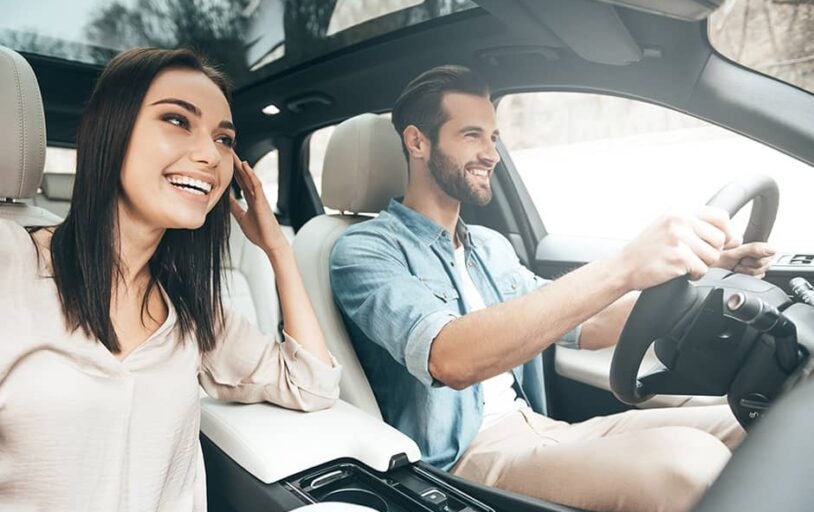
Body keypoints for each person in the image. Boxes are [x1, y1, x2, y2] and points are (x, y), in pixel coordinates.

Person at [330, 65, 775, 512]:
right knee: (693, 464)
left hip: (541, 428)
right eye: (472, 135)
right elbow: (451, 359)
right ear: (417, 142)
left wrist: (707, 272)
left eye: (494, 138)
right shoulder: (363, 252)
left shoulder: (488, 245)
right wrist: (625, 265)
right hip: (464, 460)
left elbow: (587, 323)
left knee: (762, 420)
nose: (492, 154)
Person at [0, 48, 341, 511]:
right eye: (178, 120)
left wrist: (277, 250)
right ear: (112, 131)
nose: (209, 155)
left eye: (223, 139)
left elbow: (312, 383)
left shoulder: (191, 310)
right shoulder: (12, 263)